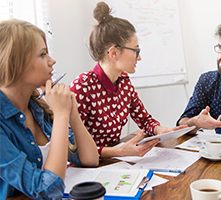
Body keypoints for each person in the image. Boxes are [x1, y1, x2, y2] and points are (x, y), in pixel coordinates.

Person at [70, 2, 185, 158]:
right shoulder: (82, 86)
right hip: (87, 168)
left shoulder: (124, 81)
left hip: (114, 161)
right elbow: (72, 146)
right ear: (114, 53)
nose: (139, 57)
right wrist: (118, 151)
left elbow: (144, 119)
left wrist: (159, 130)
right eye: (136, 50)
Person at [0, 19, 99, 199]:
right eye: (43, 54)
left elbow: (89, 159)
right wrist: (61, 115)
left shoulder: (37, 107)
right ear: (15, 63)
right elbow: (45, 191)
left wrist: (72, 114)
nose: (52, 61)